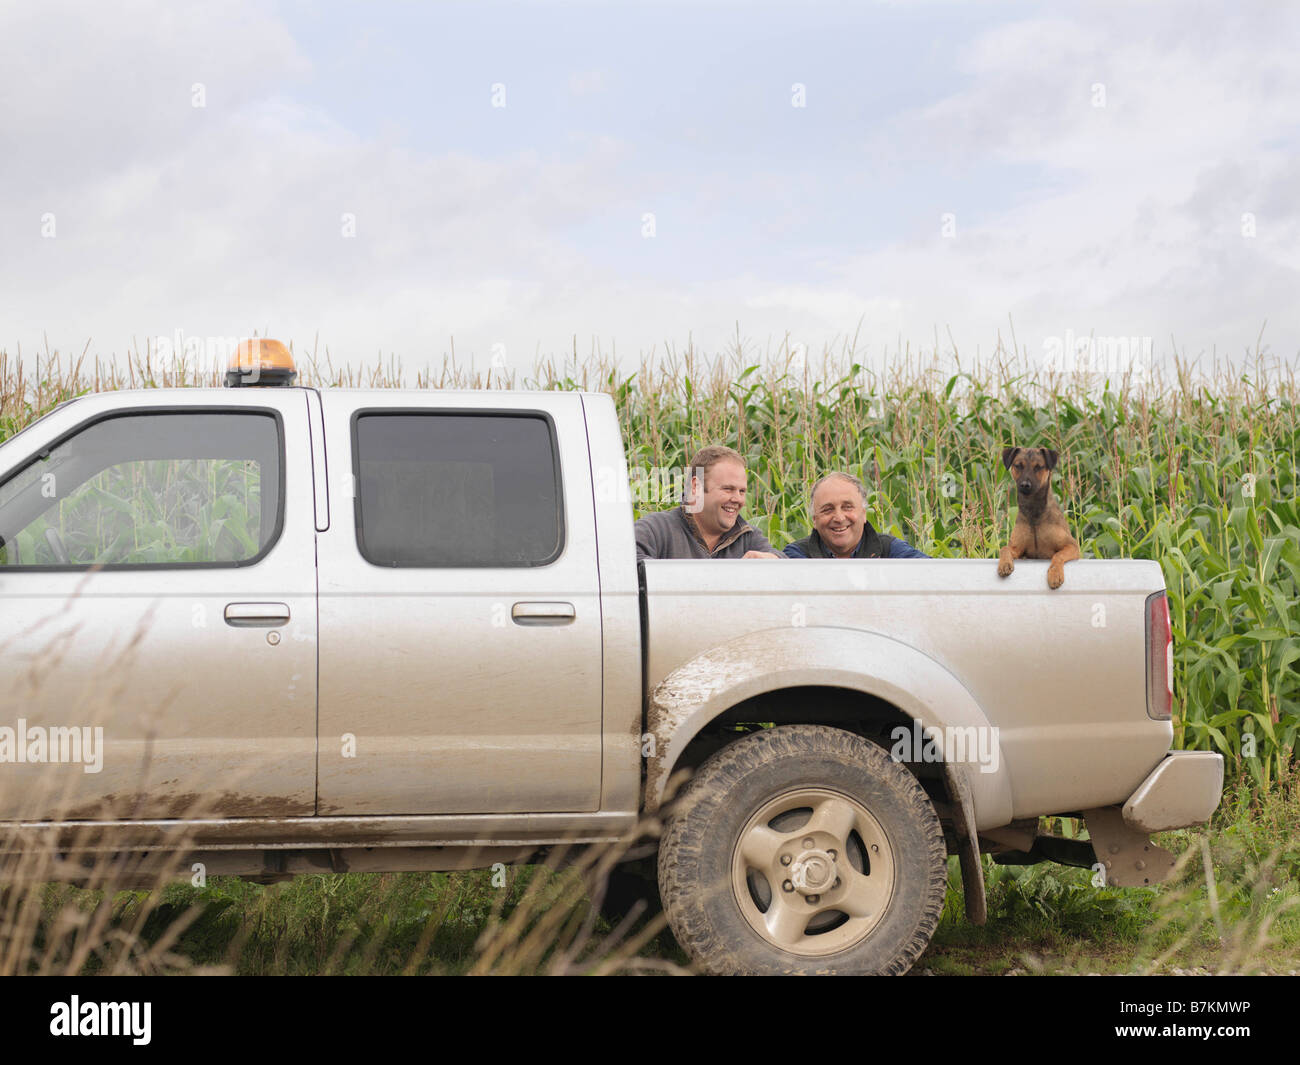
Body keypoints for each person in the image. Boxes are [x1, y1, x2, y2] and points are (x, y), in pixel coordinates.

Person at [635, 445, 784, 560]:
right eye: (728, 489)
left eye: (742, 491)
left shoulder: (747, 537)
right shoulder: (656, 530)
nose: (738, 499)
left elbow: (787, 566)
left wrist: (773, 560)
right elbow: (624, 563)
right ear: (695, 487)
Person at [783, 472, 929, 559]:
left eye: (847, 507)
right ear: (814, 519)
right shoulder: (797, 556)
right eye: (828, 509)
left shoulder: (890, 550)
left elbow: (935, 573)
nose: (839, 518)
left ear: (864, 514)